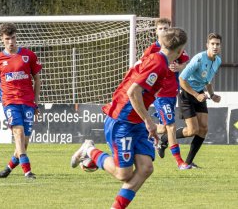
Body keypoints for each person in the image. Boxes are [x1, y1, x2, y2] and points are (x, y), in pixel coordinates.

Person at [71, 28, 187, 209]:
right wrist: (149, 121)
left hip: (136, 120)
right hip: (123, 119)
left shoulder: (157, 59)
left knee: (146, 168)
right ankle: (90, 150)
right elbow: (134, 92)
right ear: (180, 51)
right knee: (123, 174)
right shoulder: (158, 64)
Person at [0, 23, 42, 180]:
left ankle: (8, 168)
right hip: (10, 102)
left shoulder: (29, 56)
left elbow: (37, 80)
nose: (11, 42)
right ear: (2, 39)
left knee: (24, 143)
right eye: (7, 39)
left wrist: (36, 103)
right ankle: (27, 171)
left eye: (13, 38)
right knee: (18, 133)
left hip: (27, 102)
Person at [157, 33, 222, 168]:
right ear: (207, 45)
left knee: (203, 129)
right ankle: (164, 139)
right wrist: (196, 95)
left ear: (220, 46)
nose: (215, 46)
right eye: (212, 44)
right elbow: (182, 80)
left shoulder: (218, 61)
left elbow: (208, 80)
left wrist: (212, 94)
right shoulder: (199, 58)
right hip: (186, 93)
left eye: (217, 44)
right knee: (193, 130)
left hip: (199, 93)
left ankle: (188, 162)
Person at [141, 18, 191, 170]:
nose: (163, 31)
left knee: (162, 128)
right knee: (171, 126)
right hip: (159, 94)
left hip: (172, 93)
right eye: (161, 28)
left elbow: (185, 61)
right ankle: (179, 162)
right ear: (156, 31)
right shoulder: (152, 50)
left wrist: (180, 67)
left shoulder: (176, 48)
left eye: (166, 28)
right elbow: (142, 67)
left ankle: (146, 128)